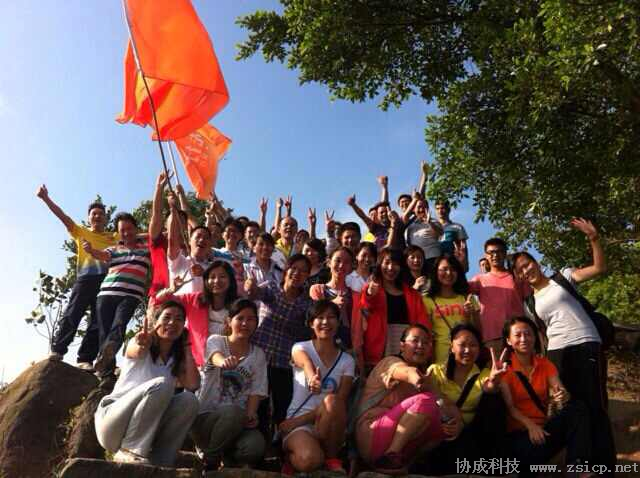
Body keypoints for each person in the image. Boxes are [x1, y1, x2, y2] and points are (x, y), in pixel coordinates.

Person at [512, 218, 615, 472]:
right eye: (520, 270)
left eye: (527, 264)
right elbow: (540, 337)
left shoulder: (563, 277)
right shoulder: (529, 304)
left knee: (595, 405)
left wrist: (593, 238)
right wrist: (541, 362)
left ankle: (604, 467)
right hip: (557, 354)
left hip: (586, 343)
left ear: (536, 262)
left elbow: (599, 268)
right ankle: (579, 464)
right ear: (519, 277)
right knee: (569, 407)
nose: (526, 270)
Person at [94, 300, 200, 466]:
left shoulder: (175, 360)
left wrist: (187, 346)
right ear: (155, 322)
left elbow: (193, 385)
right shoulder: (140, 342)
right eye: (167, 317)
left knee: (189, 400)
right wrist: (142, 344)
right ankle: (129, 451)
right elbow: (136, 351)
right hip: (112, 423)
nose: (172, 322)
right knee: (162, 384)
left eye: (179, 319)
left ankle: (161, 460)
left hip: (144, 428)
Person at [499, 317, 594, 477]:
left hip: (543, 432)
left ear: (535, 337)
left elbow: (559, 389)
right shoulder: (504, 369)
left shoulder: (545, 364)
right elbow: (510, 407)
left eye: (528, 334)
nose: (524, 339)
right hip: (518, 436)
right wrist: (530, 426)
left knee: (577, 408)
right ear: (508, 340)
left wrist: (563, 396)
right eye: (518, 335)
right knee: (528, 456)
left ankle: (576, 468)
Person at [36, 184, 118, 369]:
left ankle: (85, 359)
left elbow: (136, 236)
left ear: (106, 218)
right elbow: (63, 217)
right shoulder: (81, 231)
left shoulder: (114, 236)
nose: (97, 216)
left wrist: (167, 232)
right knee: (73, 312)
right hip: (85, 279)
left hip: (105, 282)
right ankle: (58, 349)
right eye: (94, 214)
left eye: (101, 214)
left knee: (98, 320)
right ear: (89, 217)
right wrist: (46, 198)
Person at [355, 324, 450, 474]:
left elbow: (445, 405)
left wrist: (456, 423)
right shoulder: (390, 362)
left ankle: (407, 463)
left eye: (426, 342)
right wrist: (413, 376)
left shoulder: (427, 378)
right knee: (426, 401)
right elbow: (402, 371)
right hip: (371, 436)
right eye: (415, 340)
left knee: (443, 426)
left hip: (397, 439)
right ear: (402, 345)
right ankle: (390, 457)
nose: (421, 346)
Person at [279, 300, 355, 473]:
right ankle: (295, 457)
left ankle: (331, 457)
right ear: (311, 323)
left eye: (331, 317)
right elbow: (305, 362)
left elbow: (340, 403)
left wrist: (299, 420)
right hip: (299, 427)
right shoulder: (300, 347)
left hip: (326, 425)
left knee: (333, 401)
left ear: (338, 322)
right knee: (308, 460)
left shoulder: (347, 361)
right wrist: (312, 377)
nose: (325, 322)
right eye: (320, 317)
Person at [192, 299, 268, 471]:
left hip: (238, 422)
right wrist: (224, 362)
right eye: (240, 318)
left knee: (255, 447)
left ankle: (226, 455)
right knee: (233, 413)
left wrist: (250, 415)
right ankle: (210, 460)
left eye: (250, 319)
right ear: (229, 321)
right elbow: (215, 356)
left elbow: (256, 390)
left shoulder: (258, 354)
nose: (245, 323)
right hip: (206, 419)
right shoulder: (216, 340)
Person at [423, 324, 507, 474]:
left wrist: (494, 382)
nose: (468, 350)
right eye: (462, 345)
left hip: (472, 434)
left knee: (494, 401)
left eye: (473, 345)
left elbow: (488, 387)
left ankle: (493, 463)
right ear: (451, 347)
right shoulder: (435, 371)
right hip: (441, 432)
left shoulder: (484, 374)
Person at [245, 254, 312, 428]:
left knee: (282, 409)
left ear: (307, 276)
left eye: (303, 271)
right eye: (294, 268)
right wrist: (250, 286)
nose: (297, 273)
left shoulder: (306, 304)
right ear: (286, 270)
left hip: (284, 363)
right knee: (258, 407)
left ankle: (281, 441)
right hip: (259, 358)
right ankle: (257, 440)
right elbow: (255, 293)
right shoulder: (271, 288)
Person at [84, 213, 151, 376]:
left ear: (136, 229)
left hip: (131, 295)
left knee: (119, 325)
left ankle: (105, 358)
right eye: (122, 230)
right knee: (104, 331)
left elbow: (158, 234)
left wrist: (141, 236)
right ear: (118, 233)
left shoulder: (146, 249)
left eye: (130, 229)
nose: (126, 233)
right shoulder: (114, 249)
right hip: (107, 293)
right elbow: (103, 255)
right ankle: (106, 370)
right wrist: (91, 250)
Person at [358, 248, 431, 370]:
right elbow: (365, 308)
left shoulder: (412, 294)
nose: (391, 267)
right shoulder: (372, 289)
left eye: (395, 264)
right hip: (378, 348)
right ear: (379, 265)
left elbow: (423, 323)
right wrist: (370, 294)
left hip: (408, 344)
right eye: (386, 262)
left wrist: (425, 347)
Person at [160, 260, 238, 368]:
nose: (217, 281)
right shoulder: (194, 300)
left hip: (230, 365)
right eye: (212, 277)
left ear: (231, 280)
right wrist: (171, 290)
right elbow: (160, 303)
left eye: (222, 276)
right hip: (198, 366)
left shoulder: (238, 306)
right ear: (206, 280)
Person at [469, 237, 527, 351]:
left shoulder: (517, 277)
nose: (495, 255)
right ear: (486, 256)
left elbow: (532, 303)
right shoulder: (479, 279)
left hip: (518, 337)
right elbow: (460, 289)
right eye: (491, 252)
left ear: (505, 254)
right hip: (491, 339)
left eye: (499, 251)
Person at [423, 255, 480, 364]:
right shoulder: (427, 300)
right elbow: (427, 333)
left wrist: (470, 315)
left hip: (467, 354)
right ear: (435, 272)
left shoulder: (467, 297)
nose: (449, 273)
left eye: (453, 269)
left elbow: (478, 330)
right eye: (444, 269)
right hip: (441, 356)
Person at [309, 247, 355, 348]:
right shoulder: (317, 289)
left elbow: (354, 326)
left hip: (346, 346)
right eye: (337, 260)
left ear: (351, 267)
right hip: (320, 346)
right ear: (329, 262)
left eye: (347, 262)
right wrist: (333, 304)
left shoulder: (354, 295)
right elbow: (314, 316)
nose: (341, 265)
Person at [403, 194, 444, 274]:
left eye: (424, 207)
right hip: (417, 262)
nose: (421, 209)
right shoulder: (410, 225)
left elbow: (440, 233)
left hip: (433, 259)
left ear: (427, 209)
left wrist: (429, 222)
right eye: (419, 207)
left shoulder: (434, 221)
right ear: (414, 209)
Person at [434, 200, 469, 271]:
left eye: (442, 208)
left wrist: (465, 263)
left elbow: (463, 248)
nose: (440, 211)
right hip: (435, 263)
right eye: (437, 209)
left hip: (452, 263)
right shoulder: (431, 226)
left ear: (448, 210)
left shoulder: (457, 227)